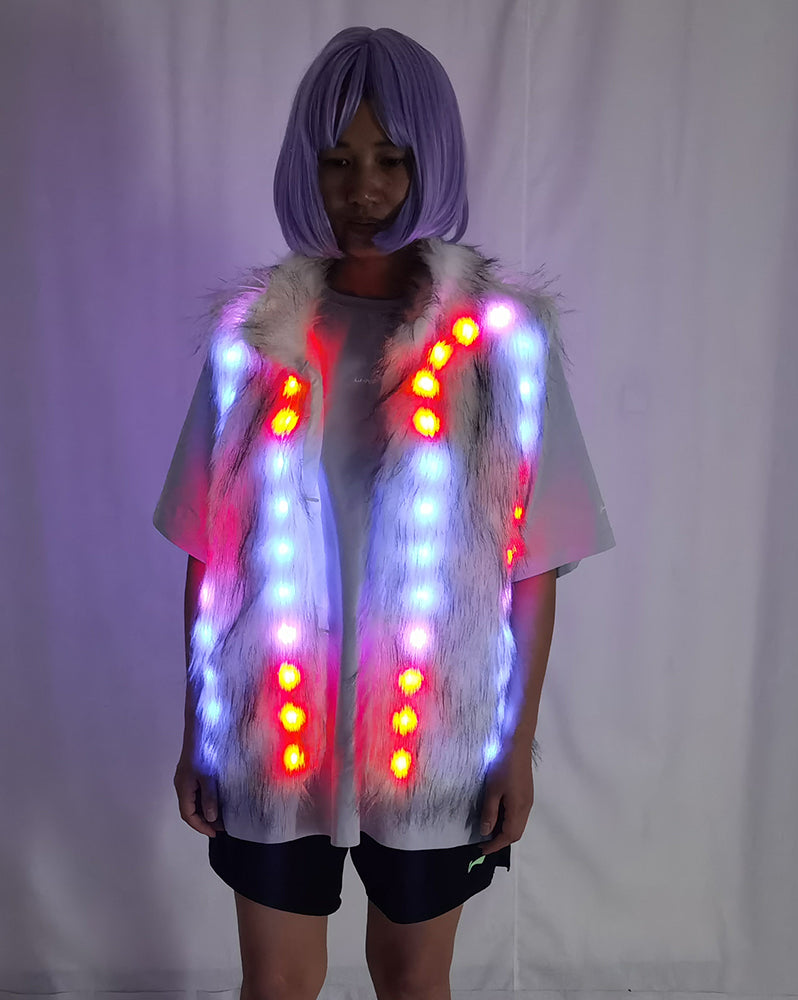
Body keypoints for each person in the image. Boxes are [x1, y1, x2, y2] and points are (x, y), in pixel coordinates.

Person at [154, 26, 614, 1000]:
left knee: (412, 980)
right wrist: (200, 727)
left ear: (430, 161)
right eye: (337, 161)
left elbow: (534, 566)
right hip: (274, 728)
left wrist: (514, 748)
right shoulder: (255, 340)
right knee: (276, 984)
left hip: (430, 737)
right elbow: (207, 550)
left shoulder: (496, 345)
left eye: (391, 159)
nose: (363, 189)